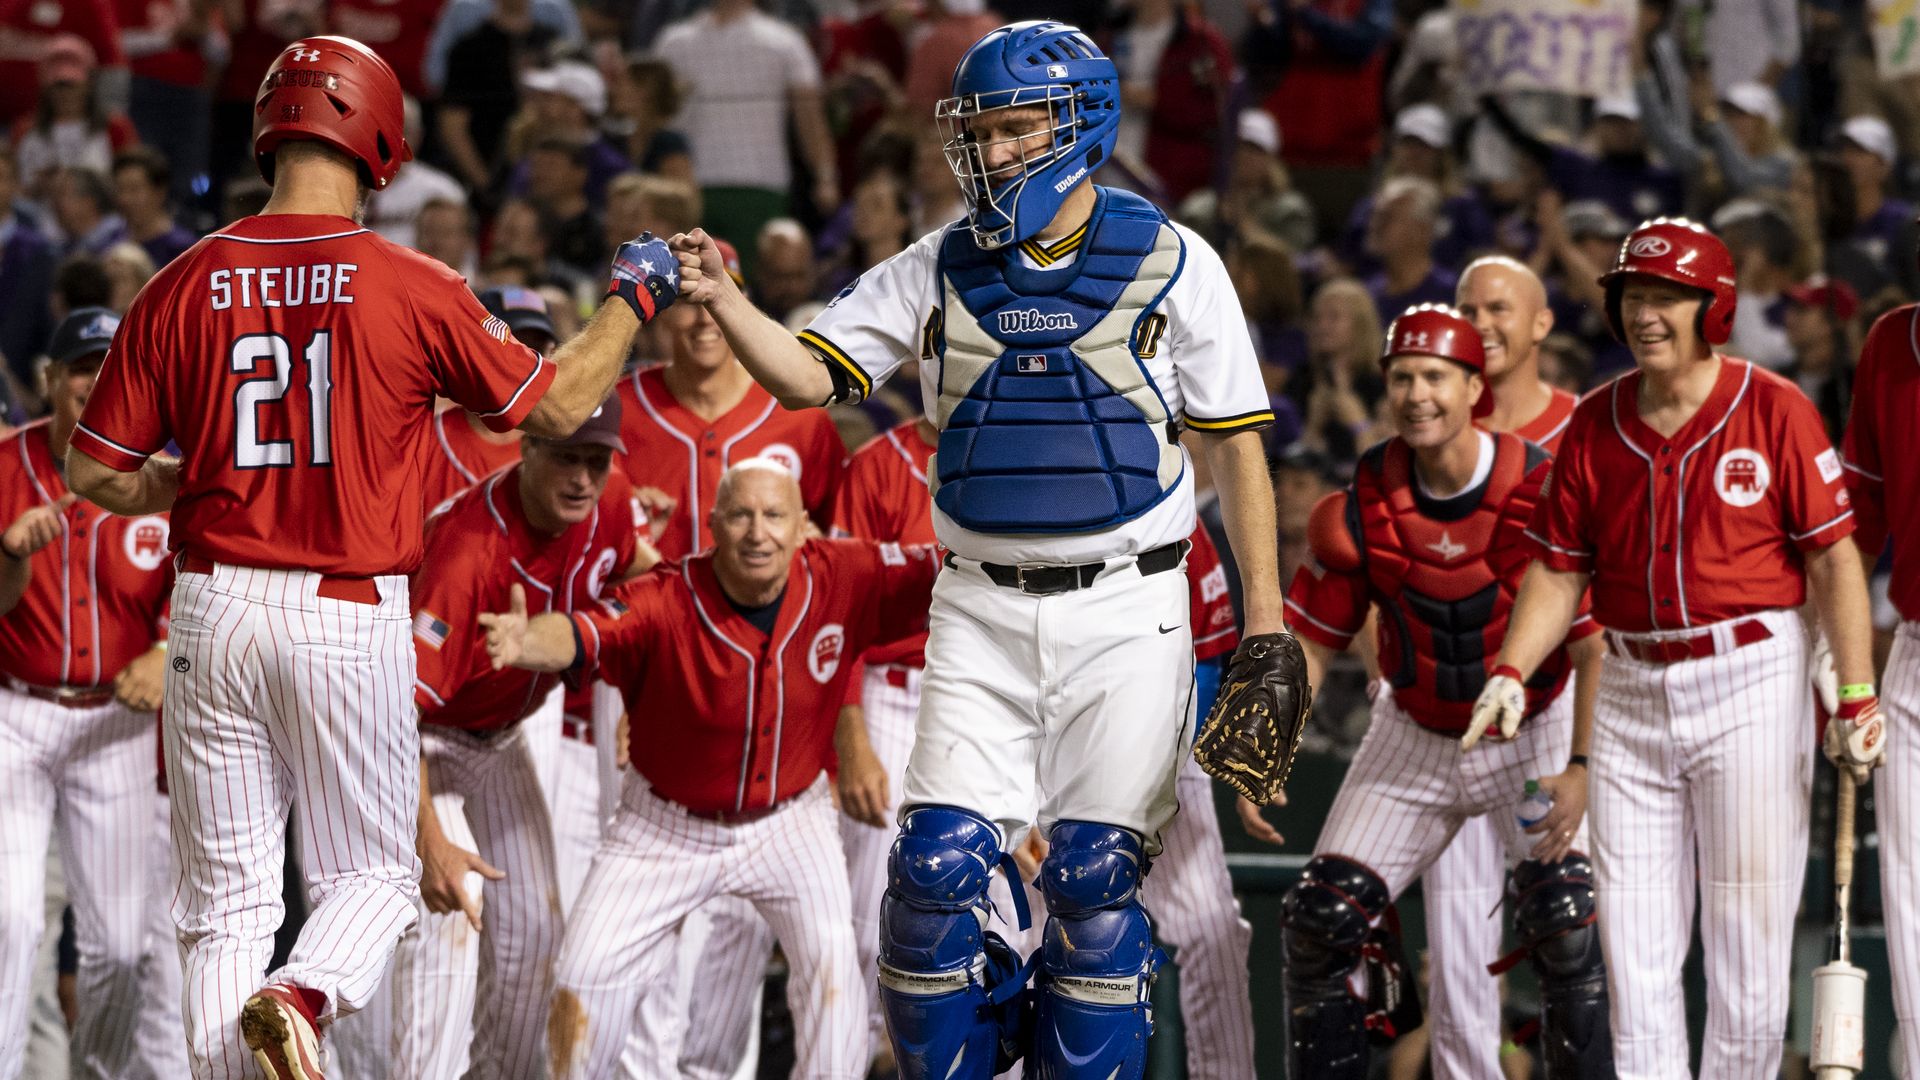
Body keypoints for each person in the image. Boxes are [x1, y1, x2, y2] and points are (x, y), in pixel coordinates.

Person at [667, 21, 1287, 1078]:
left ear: (1080, 124)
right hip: (979, 608)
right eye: (980, 133)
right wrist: (728, 302)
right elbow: (814, 378)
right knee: (930, 881)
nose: (992, 155)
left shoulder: (1178, 262)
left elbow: (1237, 456)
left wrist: (1267, 632)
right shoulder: (937, 263)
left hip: (1128, 610)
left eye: (1014, 129)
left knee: (1093, 884)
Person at [62, 35, 682, 1078]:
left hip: (209, 609)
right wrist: (634, 295)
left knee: (226, 914)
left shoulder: (181, 279)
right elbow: (564, 405)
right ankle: (301, 997)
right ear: (379, 136)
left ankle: (258, 1033)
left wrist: (185, 481)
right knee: (379, 880)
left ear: (270, 131)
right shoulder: (409, 280)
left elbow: (92, 471)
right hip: (344, 609)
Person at [1478, 217, 1876, 1077]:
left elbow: (1836, 559)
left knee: (1747, 942)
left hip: (1750, 675)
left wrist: (1855, 693)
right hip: (1628, 682)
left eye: (1666, 298)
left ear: (1714, 307)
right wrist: (1512, 668)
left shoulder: (1774, 406)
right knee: (1634, 945)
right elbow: (1558, 569)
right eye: (1632, 298)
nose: (1645, 316)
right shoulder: (1594, 422)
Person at [481, 459, 941, 1078]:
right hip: (663, 827)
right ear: (715, 525)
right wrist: (523, 642)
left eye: (775, 516)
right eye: (742, 515)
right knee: (582, 978)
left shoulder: (844, 573)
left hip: (790, 823)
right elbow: (584, 633)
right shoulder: (663, 596)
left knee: (835, 974)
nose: (759, 533)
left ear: (804, 526)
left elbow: (940, 567)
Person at [831, 415, 1259, 1079]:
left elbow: (1205, 647)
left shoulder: (1134, 486)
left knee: (1203, 931)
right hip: (977, 712)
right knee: (956, 921)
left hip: (1136, 722)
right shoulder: (911, 471)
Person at [1278, 303, 1610, 1078]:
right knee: (1318, 923)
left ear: (1473, 389)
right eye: (1401, 378)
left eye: (1435, 377)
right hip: (1413, 734)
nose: (1417, 394)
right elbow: (1317, 640)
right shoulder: (1361, 501)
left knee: (1567, 926)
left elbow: (1593, 646)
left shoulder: (1539, 485)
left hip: (1528, 731)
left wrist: (1582, 768)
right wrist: (1270, 748)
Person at [609, 236, 848, 1079]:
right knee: (640, 924)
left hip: (762, 692)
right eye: (687, 299)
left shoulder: (799, 421)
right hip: (638, 683)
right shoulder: (619, 408)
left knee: (742, 932)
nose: (704, 317)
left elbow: (830, 569)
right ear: (664, 312)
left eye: (721, 297)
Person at [387, 395, 650, 1079]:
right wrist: (431, 842)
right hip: (416, 748)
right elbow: (396, 714)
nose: (583, 479)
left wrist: (638, 696)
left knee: (535, 932)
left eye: (596, 461)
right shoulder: (465, 550)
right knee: (447, 928)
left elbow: (647, 580)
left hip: (501, 739)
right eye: (567, 456)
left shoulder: (610, 501)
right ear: (526, 446)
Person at [0, 308, 177, 1079]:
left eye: (109, 366)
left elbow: (201, 580)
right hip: (17, 716)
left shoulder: (161, 472)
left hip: (116, 727)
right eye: (80, 367)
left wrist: (169, 650)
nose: (94, 381)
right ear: (49, 380)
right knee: (7, 922)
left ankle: (99, 1072)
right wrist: (8, 560)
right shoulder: (4, 464)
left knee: (123, 947)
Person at [1843, 255, 1919, 1080]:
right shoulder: (1892, 343)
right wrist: (1836, 647)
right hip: (1917, 656)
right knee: (1912, 900)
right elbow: (1856, 516)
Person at [421, 286, 555, 509]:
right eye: (513, 346)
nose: (526, 364)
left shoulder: (565, 450)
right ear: (474, 347)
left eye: (537, 350)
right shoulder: (428, 440)